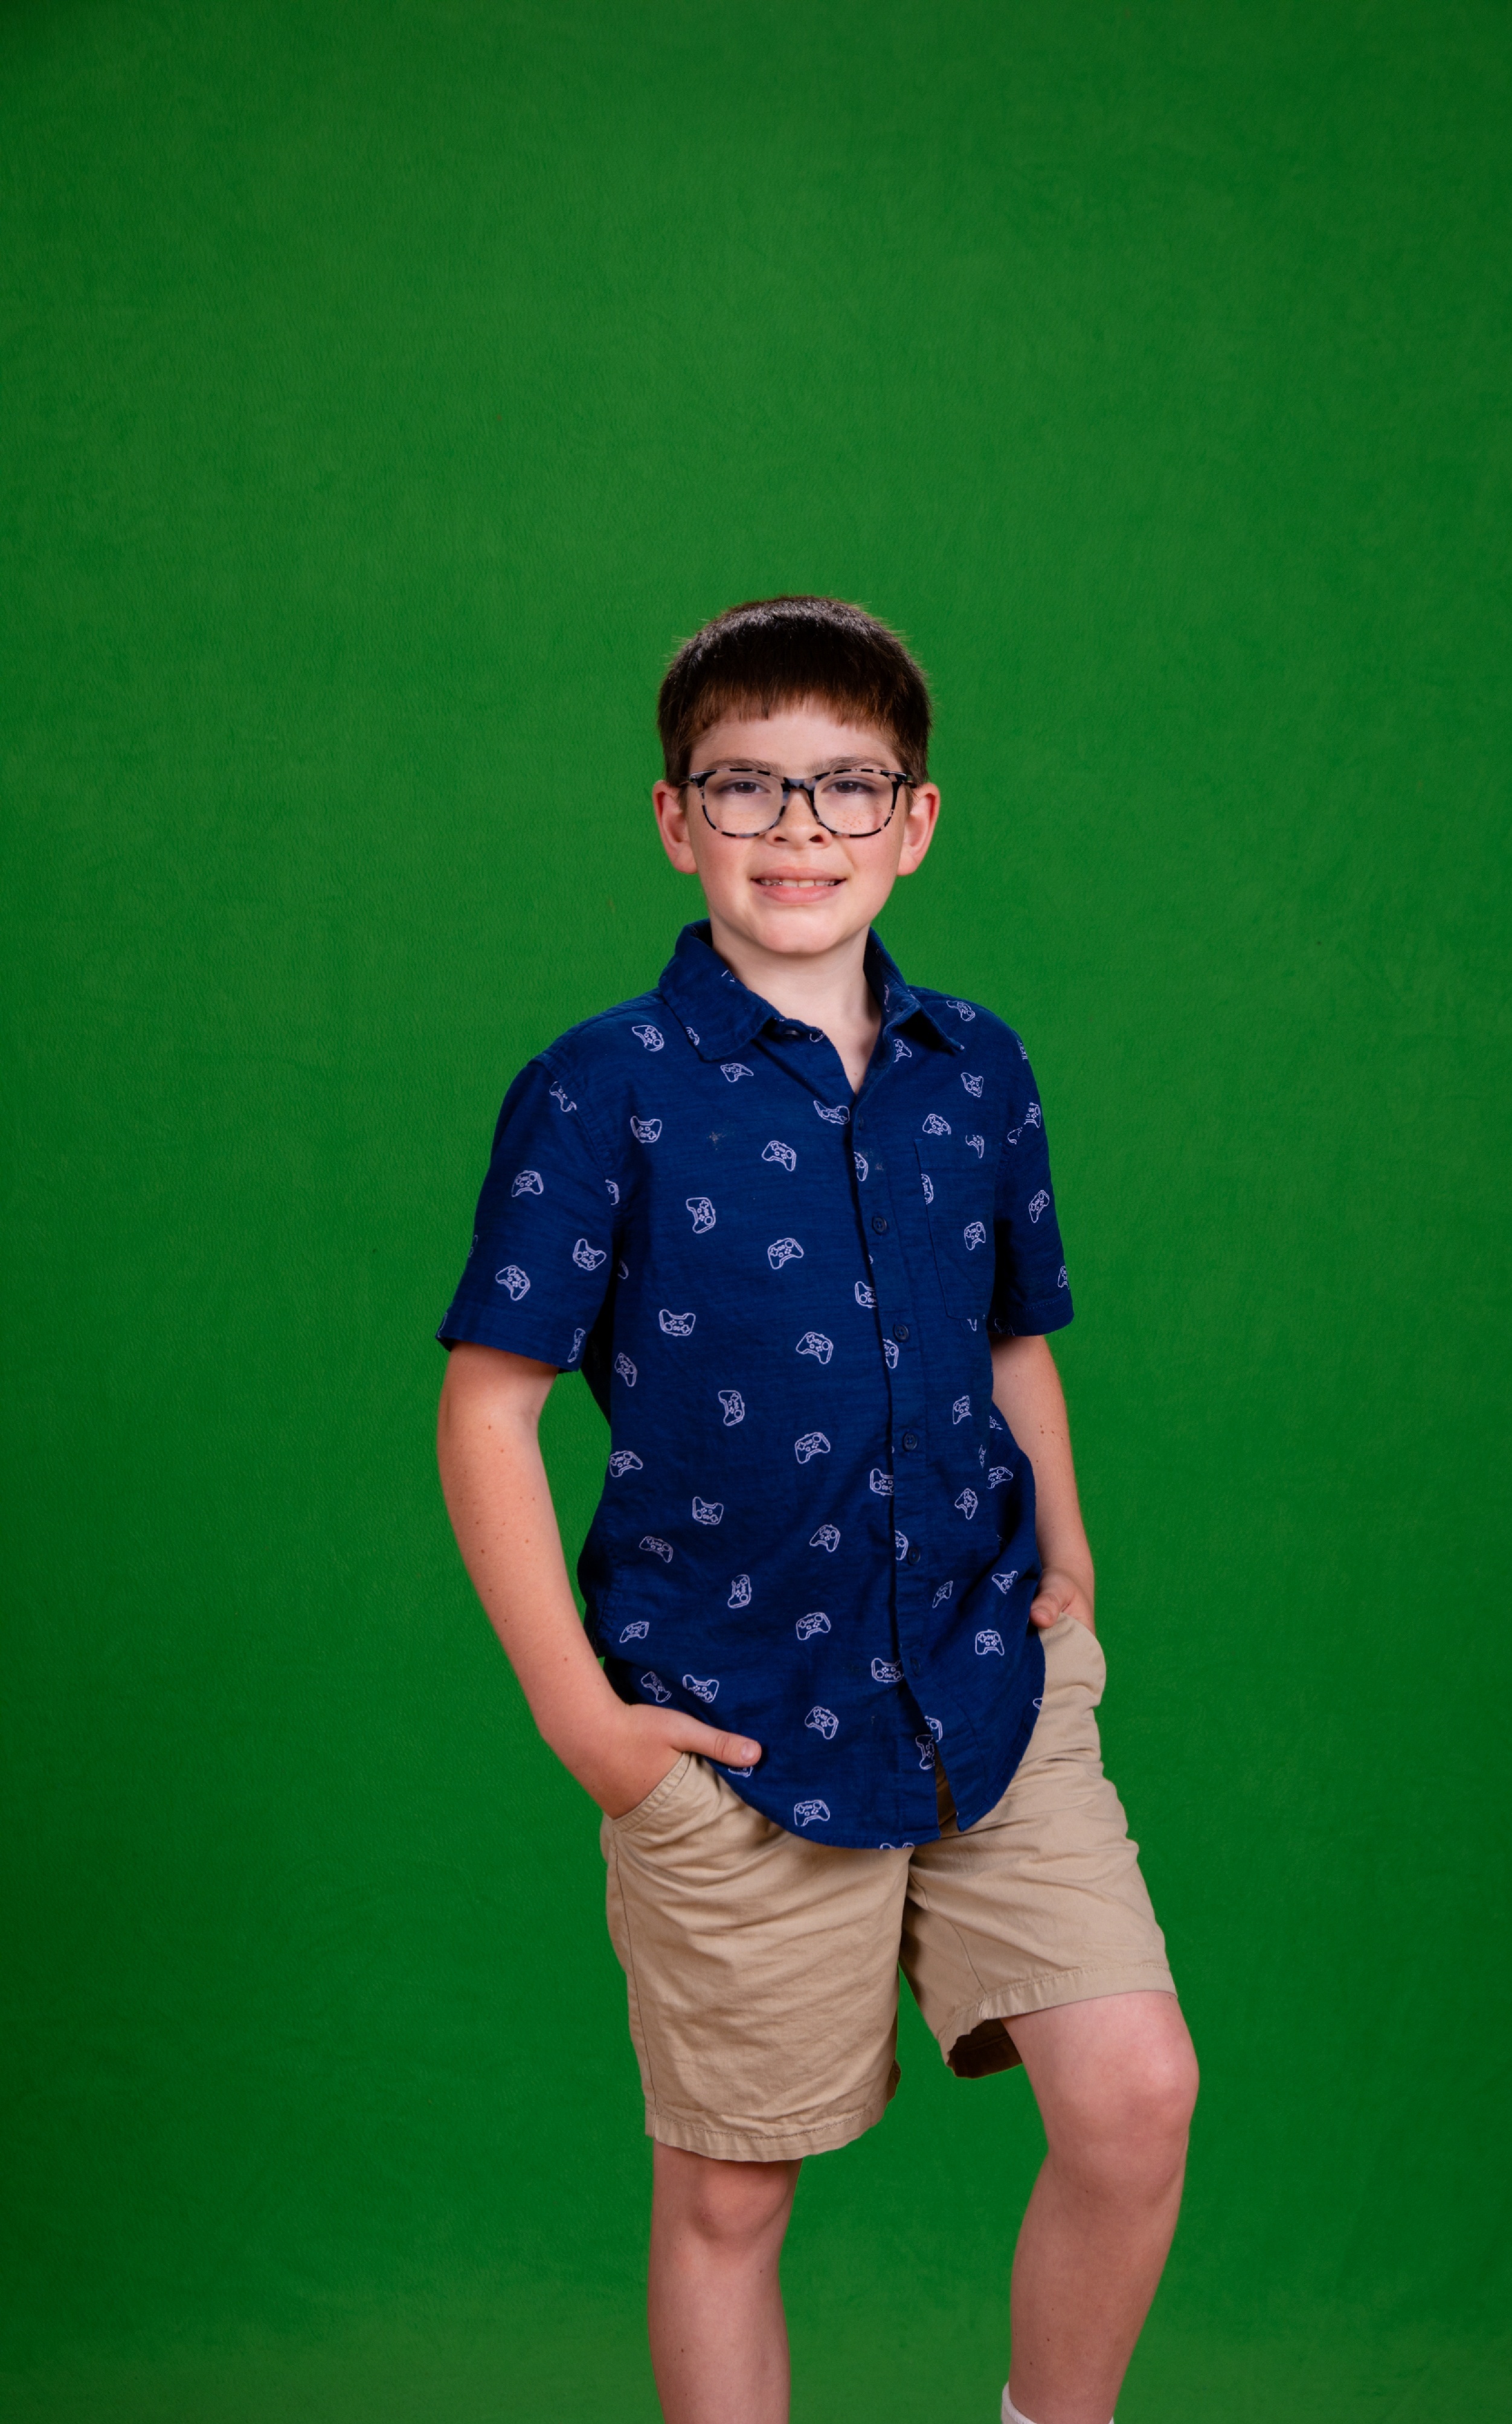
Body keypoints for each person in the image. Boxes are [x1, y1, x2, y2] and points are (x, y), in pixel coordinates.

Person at [436, 595, 1197, 2424]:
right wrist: (584, 1723)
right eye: (746, 787)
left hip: (987, 1679)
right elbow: (488, 1410)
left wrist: (1069, 1552)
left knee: (1136, 2094)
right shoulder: (601, 1090)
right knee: (731, 2196)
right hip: (734, 1719)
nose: (797, 829)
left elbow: (1012, 1337)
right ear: (673, 817)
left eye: (846, 786)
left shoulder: (976, 1069)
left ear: (912, 821)